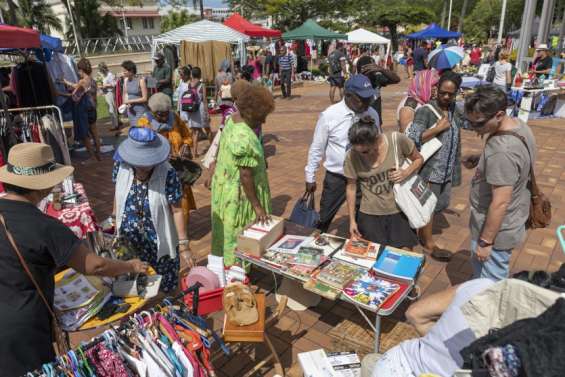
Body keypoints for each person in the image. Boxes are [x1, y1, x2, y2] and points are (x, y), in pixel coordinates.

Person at [0, 143, 147, 375]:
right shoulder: (44, 226)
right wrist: (130, 265)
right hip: (23, 330)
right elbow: (94, 265)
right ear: (41, 186)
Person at [464, 85, 536, 281]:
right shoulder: (518, 125)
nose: (473, 128)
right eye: (469, 121)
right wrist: (483, 159)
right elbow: (517, 162)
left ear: (499, 114)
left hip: (497, 230)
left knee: (490, 285)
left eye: (478, 123)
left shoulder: (501, 152)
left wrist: (486, 242)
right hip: (512, 218)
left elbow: (500, 202)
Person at [361, 278, 495, 377]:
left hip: (396, 363)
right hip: (399, 366)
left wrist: (439, 342)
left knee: (371, 361)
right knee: (370, 361)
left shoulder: (483, 286)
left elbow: (414, 314)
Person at [113, 127, 191, 292]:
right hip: (130, 240)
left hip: (158, 242)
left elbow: (177, 211)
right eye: (139, 162)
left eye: (147, 162)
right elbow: (118, 194)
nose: (143, 166)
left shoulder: (168, 173)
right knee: (133, 287)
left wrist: (184, 245)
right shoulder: (121, 167)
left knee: (164, 288)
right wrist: (114, 219)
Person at [305, 75, 381, 233]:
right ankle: (316, 242)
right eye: (362, 99)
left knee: (364, 217)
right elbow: (317, 147)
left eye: (369, 99)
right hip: (337, 177)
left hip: (363, 177)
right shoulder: (329, 116)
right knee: (324, 218)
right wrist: (310, 175)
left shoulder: (371, 114)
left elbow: (378, 143)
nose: (367, 104)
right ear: (348, 95)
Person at [211, 85, 274, 266]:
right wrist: (257, 206)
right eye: (262, 117)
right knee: (239, 233)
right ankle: (237, 270)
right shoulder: (244, 137)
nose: (264, 122)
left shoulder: (232, 119)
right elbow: (246, 176)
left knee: (226, 229)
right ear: (252, 113)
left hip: (224, 186)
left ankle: (226, 264)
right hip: (240, 195)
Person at [407, 71, 465, 261]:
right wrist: (437, 129)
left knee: (436, 204)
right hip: (430, 169)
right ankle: (428, 244)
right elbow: (412, 138)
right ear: (436, 90)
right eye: (443, 93)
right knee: (428, 205)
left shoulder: (455, 109)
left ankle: (421, 232)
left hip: (447, 168)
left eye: (451, 93)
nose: (446, 97)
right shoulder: (426, 111)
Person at [344, 119, 423, 249]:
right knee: (374, 254)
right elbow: (351, 188)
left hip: (399, 209)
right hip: (369, 213)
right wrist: (352, 221)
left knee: (404, 252)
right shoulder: (352, 155)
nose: (361, 155)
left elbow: (419, 159)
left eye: (365, 151)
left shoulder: (396, 140)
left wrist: (406, 172)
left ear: (377, 140)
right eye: (357, 151)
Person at [140, 93, 197, 232]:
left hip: (178, 169)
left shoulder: (175, 118)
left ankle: (181, 231)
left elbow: (187, 135)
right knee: (161, 202)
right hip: (157, 170)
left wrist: (186, 145)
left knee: (181, 199)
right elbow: (143, 149)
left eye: (166, 114)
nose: (165, 117)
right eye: (160, 115)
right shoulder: (144, 123)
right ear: (152, 112)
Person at [62, 58, 101, 162]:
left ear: (81, 70)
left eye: (78, 70)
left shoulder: (82, 81)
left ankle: (92, 157)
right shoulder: (93, 81)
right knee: (95, 133)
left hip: (84, 110)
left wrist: (60, 92)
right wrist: (69, 83)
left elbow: (74, 95)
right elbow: (80, 88)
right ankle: (98, 154)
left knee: (85, 135)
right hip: (93, 109)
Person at [357, 56, 400, 123]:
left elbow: (396, 79)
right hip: (360, 122)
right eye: (369, 69)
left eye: (373, 68)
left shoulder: (376, 78)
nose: (371, 71)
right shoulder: (354, 82)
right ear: (361, 69)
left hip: (376, 120)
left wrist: (381, 69)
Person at [185, 66, 212, 157]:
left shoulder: (189, 84)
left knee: (195, 132)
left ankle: (195, 152)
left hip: (192, 109)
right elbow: (204, 100)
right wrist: (207, 113)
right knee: (207, 129)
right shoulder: (202, 85)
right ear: (200, 74)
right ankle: (213, 148)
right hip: (200, 109)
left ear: (192, 74)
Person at [121, 60, 149, 128]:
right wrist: (125, 103)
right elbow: (124, 93)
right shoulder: (125, 80)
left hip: (141, 110)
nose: (123, 72)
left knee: (142, 129)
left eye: (125, 71)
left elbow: (145, 98)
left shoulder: (141, 81)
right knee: (134, 129)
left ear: (131, 71)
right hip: (130, 111)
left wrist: (130, 101)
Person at [98, 62, 119, 131]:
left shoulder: (109, 75)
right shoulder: (104, 75)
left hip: (110, 92)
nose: (100, 71)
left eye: (101, 69)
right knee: (111, 108)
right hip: (106, 92)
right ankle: (116, 123)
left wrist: (106, 85)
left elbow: (114, 84)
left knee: (111, 109)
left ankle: (115, 125)